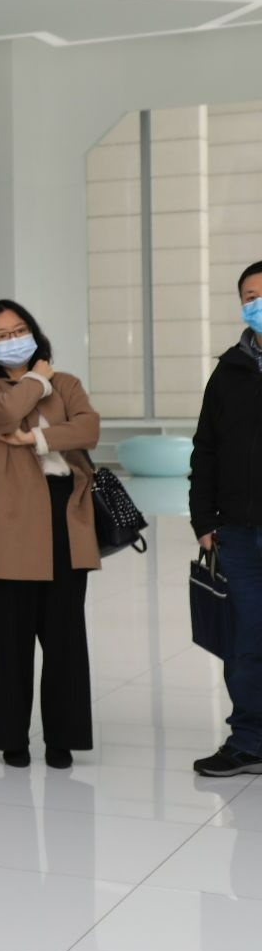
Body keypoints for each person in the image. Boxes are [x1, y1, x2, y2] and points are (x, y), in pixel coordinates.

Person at [0, 300, 99, 770]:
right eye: (1, 335)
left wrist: (37, 439)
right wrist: (37, 381)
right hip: (8, 518)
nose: (12, 340)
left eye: (19, 330)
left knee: (64, 637)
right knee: (9, 640)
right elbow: (5, 412)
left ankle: (63, 738)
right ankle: (12, 739)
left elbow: (89, 427)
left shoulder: (68, 383)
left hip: (65, 513)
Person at [191, 260, 262, 777]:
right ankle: (248, 741)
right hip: (237, 531)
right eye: (249, 296)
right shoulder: (228, 372)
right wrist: (203, 519)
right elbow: (206, 450)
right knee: (245, 642)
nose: (256, 303)